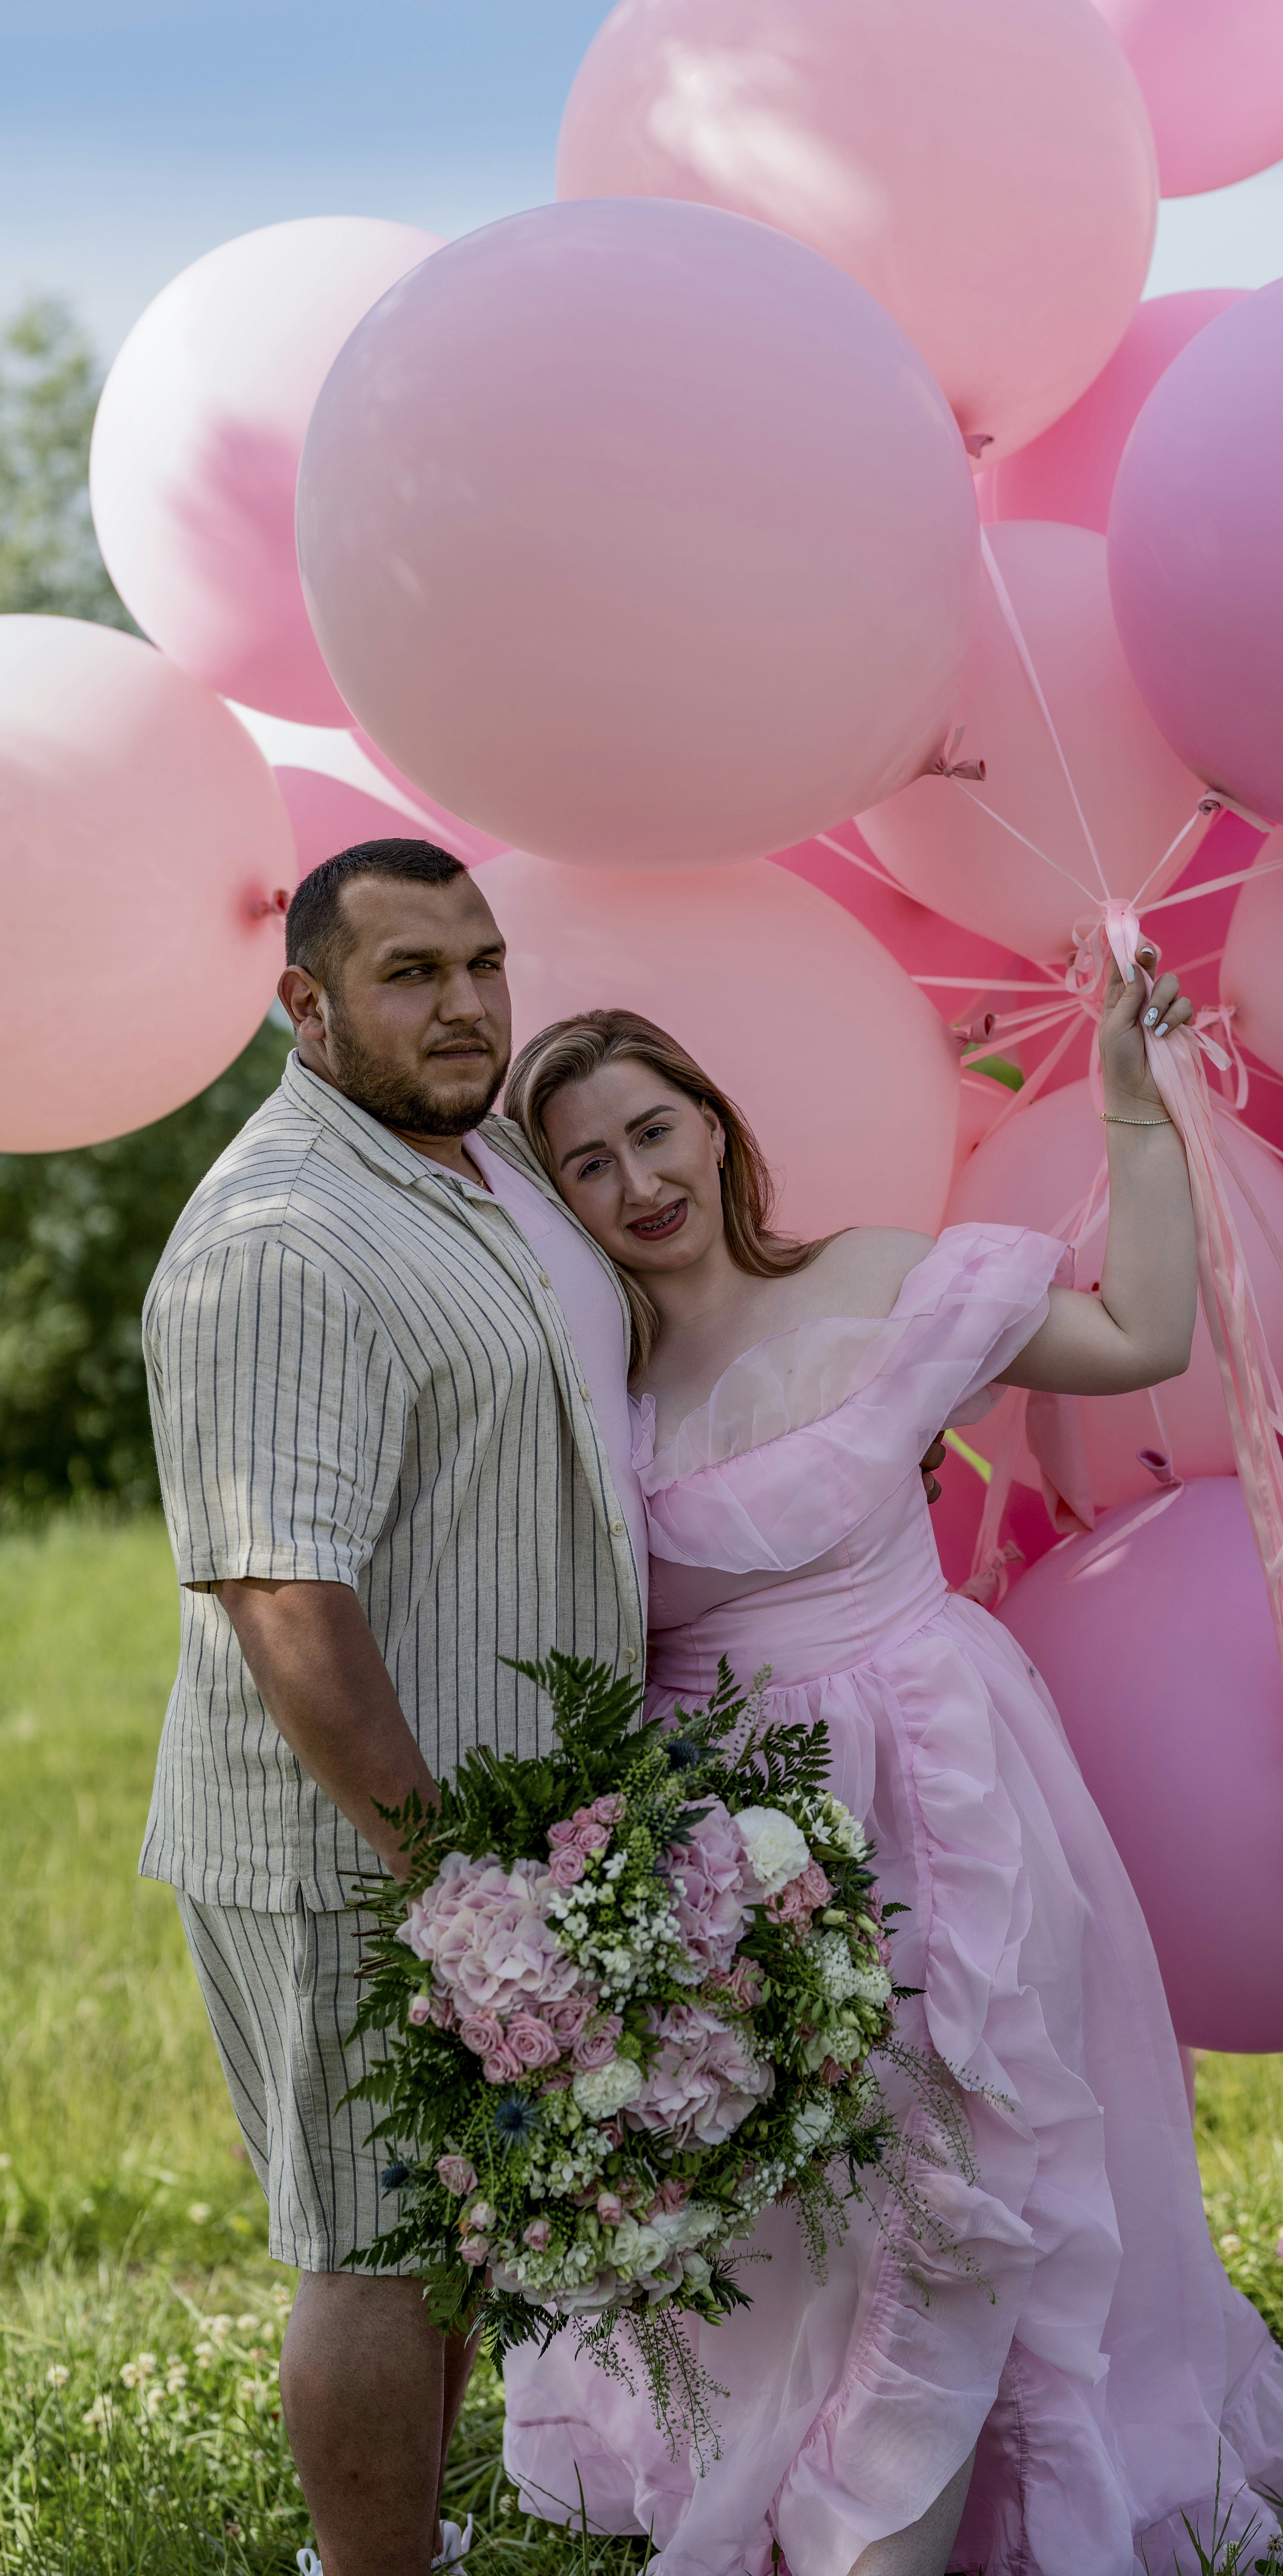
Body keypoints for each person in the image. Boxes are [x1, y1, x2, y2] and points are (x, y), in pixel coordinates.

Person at [497, 954, 1283, 2576]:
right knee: (805, 2188)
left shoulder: (877, 1275)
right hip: (727, 1824)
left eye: (655, 1132)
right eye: (589, 1164)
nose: (639, 1182)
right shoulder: (591, 1393)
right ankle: (819, 2483)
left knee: (963, 2155)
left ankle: (916, 2521)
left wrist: (1127, 1107)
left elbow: (1141, 1325)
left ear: (716, 1130)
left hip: (938, 1770)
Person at [139, 840, 651, 2576]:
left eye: (483, 962)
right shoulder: (286, 1233)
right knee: (369, 2243)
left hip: (488, 1827)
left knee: (445, 2227)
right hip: (358, 1840)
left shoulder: (477, 1156)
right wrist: (443, 1872)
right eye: (411, 973)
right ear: (304, 1004)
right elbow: (282, 1592)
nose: (465, 1005)